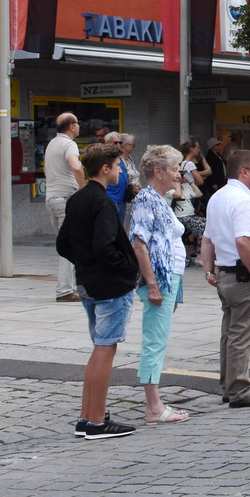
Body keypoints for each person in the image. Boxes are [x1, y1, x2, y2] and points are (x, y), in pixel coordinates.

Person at [56, 143, 142, 440]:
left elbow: (63, 244)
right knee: (106, 349)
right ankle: (95, 421)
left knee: (99, 348)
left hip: (88, 283)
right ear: (105, 169)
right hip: (110, 284)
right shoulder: (102, 202)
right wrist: (127, 268)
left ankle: (87, 417)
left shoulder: (77, 199)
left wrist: (86, 264)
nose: (120, 171)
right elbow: (106, 245)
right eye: (118, 166)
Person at [202, 149, 250, 410]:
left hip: (225, 273)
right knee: (241, 335)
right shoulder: (242, 200)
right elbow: (243, 241)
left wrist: (209, 271)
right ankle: (239, 389)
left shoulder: (219, 197)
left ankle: (228, 385)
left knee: (229, 334)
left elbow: (208, 239)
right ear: (244, 171)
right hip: (243, 276)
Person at [128, 146, 190, 424]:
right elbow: (138, 243)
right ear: (158, 171)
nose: (178, 174)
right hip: (161, 280)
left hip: (169, 278)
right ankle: (153, 406)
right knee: (155, 340)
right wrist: (152, 285)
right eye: (175, 168)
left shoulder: (158, 199)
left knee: (159, 338)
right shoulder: (146, 199)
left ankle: (155, 402)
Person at [44, 112, 86, 302]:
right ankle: (65, 291)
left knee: (65, 244)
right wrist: (83, 189)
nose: (79, 126)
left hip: (52, 198)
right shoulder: (69, 144)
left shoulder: (52, 143)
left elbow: (47, 170)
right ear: (71, 126)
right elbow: (76, 167)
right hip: (65, 199)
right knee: (70, 246)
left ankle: (68, 288)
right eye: (77, 122)